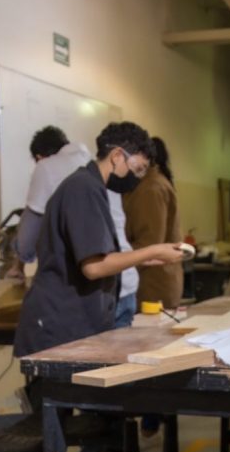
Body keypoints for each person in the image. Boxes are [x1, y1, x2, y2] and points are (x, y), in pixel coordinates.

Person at [13, 121, 185, 358]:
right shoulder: (84, 188)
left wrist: (144, 259)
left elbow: (99, 254)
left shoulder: (93, 186)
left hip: (74, 321)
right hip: (60, 326)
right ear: (117, 156)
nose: (137, 178)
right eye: (138, 169)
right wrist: (152, 251)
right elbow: (94, 266)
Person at [16, 125, 140, 326]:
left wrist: (19, 263)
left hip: (90, 294)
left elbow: (26, 241)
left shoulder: (50, 169)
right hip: (124, 283)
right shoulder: (99, 165)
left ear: (40, 157)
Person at [123, 136, 183, 309]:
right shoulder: (148, 184)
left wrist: (113, 258)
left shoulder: (150, 188)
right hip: (154, 281)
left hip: (151, 285)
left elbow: (150, 244)